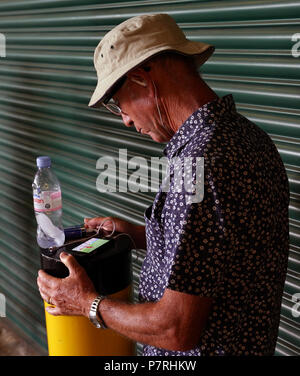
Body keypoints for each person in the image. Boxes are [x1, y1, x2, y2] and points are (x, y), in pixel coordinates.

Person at [37, 13, 290, 356]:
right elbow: (221, 248)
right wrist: (141, 233)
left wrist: (87, 304)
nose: (125, 119)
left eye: (118, 104)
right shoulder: (246, 136)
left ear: (142, 79)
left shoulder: (201, 163)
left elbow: (176, 329)